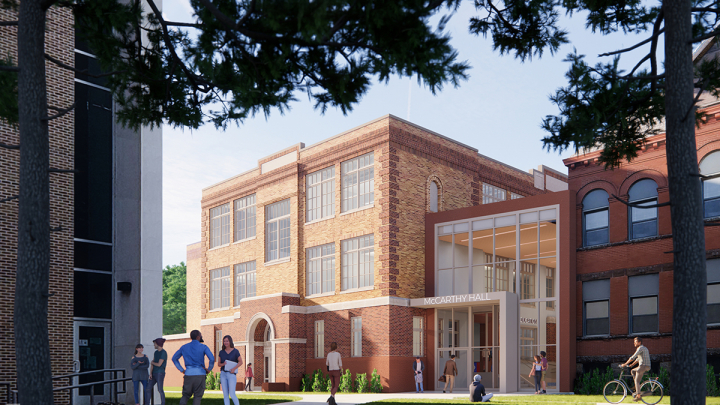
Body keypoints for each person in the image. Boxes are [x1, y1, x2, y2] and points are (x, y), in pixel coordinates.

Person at [172, 329, 215, 405]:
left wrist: (182, 370)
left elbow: (174, 358)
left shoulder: (184, 347)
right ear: (198, 337)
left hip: (188, 374)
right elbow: (212, 359)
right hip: (200, 374)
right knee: (197, 397)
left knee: (185, 396)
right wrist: (209, 369)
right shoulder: (203, 347)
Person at [622, 337, 651, 402]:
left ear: (639, 342)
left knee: (637, 381)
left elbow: (633, 357)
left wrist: (624, 364)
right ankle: (636, 386)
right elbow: (638, 359)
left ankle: (638, 396)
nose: (634, 343)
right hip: (646, 366)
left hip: (643, 366)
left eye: (635, 342)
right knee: (632, 371)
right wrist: (632, 365)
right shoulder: (645, 348)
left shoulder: (640, 348)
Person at [217, 335, 242, 405]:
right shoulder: (221, 352)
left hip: (231, 374)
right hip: (223, 374)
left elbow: (240, 362)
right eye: (224, 341)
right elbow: (218, 364)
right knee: (225, 394)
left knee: (232, 394)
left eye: (227, 341)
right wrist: (223, 364)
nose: (225, 342)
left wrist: (234, 369)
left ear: (230, 341)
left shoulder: (235, 351)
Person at [149, 338, 168, 405]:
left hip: (160, 373)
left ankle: (163, 403)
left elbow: (159, 364)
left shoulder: (163, 352)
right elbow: (152, 364)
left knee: (160, 389)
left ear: (158, 344)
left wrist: (152, 362)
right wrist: (150, 373)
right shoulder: (156, 352)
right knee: (148, 388)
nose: (154, 345)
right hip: (154, 373)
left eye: (154, 344)